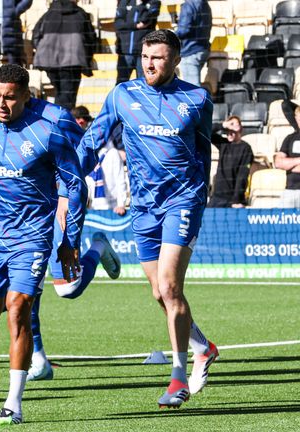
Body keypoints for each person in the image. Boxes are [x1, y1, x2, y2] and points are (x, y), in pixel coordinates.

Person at [81, 30, 219, 408]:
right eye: (145, 57)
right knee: (159, 292)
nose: (149, 64)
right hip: (143, 207)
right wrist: (71, 179)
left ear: (175, 60)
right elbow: (93, 139)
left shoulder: (197, 98)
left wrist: (198, 196)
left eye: (157, 58)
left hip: (182, 203)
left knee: (170, 286)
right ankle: (202, 347)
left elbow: (204, 149)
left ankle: (178, 377)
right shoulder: (123, 95)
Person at [0, 64, 86, 425]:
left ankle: (13, 404)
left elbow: (73, 181)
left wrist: (67, 240)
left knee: (18, 307)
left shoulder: (48, 132)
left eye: (9, 97)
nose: (1, 104)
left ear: (25, 96)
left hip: (32, 237)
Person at [32, 0, 98, 110]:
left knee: (60, 93)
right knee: (68, 97)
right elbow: (91, 39)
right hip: (73, 61)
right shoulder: (81, 14)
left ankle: (58, 120)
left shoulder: (48, 15)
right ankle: (62, 123)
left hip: (50, 62)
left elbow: (35, 36)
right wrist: (87, 59)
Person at [209, 116, 253, 208]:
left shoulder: (246, 148)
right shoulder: (224, 144)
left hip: (232, 199)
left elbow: (242, 175)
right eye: (228, 128)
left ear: (240, 129)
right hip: (217, 197)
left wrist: (237, 200)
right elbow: (207, 131)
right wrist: (223, 125)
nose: (230, 130)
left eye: (234, 125)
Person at [115, 0, 160, 84]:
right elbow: (118, 24)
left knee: (144, 84)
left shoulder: (154, 2)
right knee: (121, 84)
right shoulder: (125, 2)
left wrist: (140, 5)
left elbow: (145, 19)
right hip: (125, 52)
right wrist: (135, 25)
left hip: (143, 54)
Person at [175, 0, 211, 86]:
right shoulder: (205, 4)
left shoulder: (189, 5)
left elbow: (183, 30)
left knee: (193, 89)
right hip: (203, 48)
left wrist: (172, 34)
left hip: (190, 51)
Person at [275, 105, 300, 208]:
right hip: (289, 190)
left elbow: (284, 162)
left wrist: (289, 164)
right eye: (298, 117)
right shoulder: (289, 138)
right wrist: (298, 161)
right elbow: (278, 162)